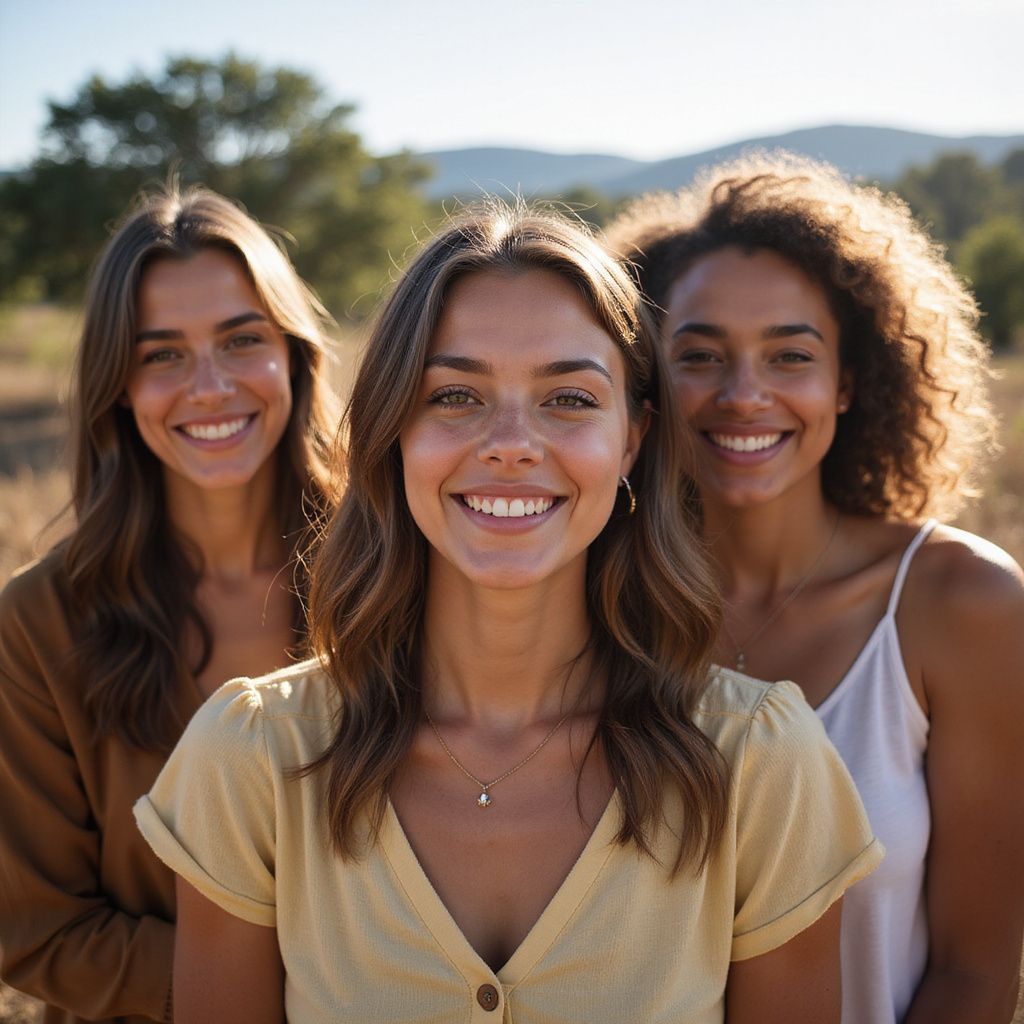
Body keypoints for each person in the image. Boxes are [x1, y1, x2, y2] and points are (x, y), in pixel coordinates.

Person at [135, 202, 882, 1024]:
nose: (512, 443)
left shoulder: (761, 763)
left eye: (568, 399)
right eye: (456, 394)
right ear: (392, 431)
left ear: (632, 440)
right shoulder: (251, 757)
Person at [605, 153, 1024, 1024]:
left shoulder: (960, 605)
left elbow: (975, 977)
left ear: (849, 382)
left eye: (789, 355)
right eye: (700, 355)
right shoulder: (596, 603)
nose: (744, 394)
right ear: (643, 382)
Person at [0, 185, 338, 1024]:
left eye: (242, 340)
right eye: (162, 355)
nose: (211, 386)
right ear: (118, 385)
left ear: (294, 355)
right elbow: (36, 929)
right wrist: (285, 987)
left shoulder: (399, 574)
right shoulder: (37, 625)